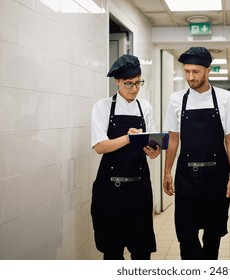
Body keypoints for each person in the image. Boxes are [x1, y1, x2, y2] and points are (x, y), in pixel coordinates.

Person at [163, 46, 230, 260]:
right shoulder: (177, 99)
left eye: (195, 72)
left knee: (213, 235)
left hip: (216, 178)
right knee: (186, 234)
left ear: (208, 70)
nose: (190, 77)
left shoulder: (225, 98)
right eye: (186, 71)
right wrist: (167, 171)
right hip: (187, 177)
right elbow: (173, 138)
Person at [90, 54, 161, 260]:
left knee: (142, 253)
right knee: (112, 252)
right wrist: (128, 138)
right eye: (129, 83)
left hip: (139, 189)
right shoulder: (102, 106)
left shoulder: (145, 107)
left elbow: (152, 142)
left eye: (138, 83)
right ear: (117, 82)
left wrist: (154, 151)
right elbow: (100, 146)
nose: (134, 89)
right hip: (110, 191)